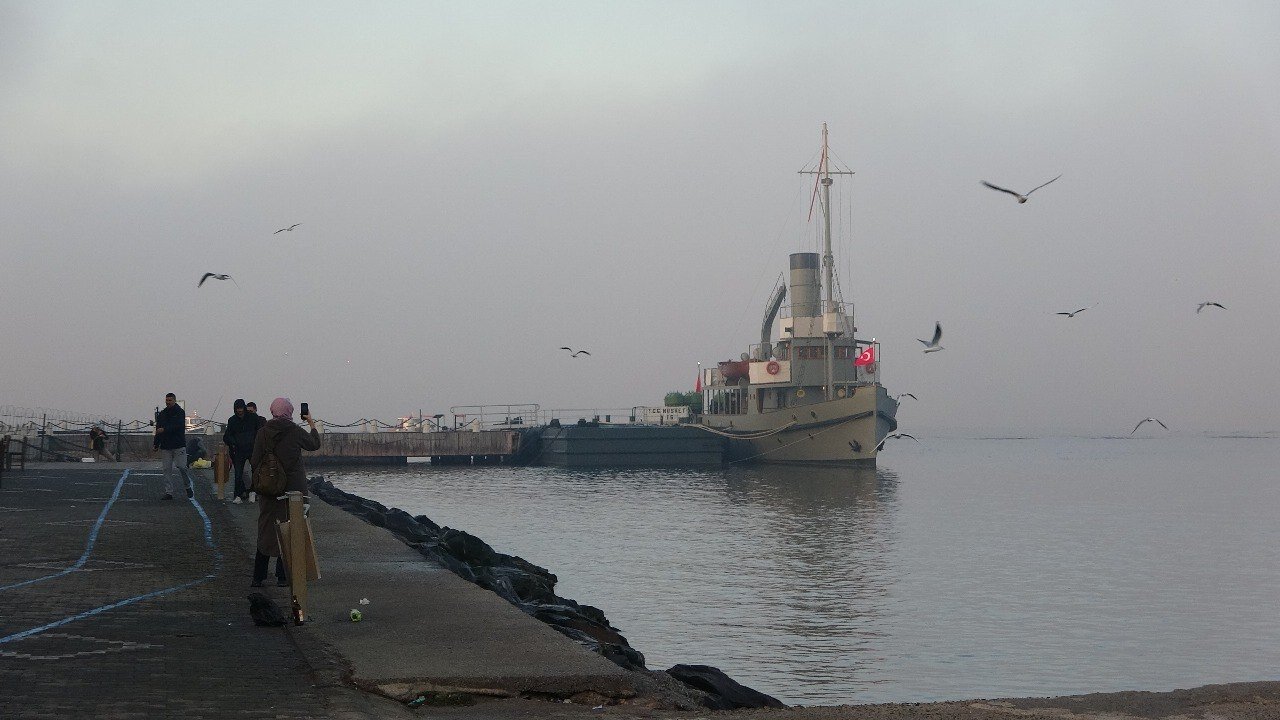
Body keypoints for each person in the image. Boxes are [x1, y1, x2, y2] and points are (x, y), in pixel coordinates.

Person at [249, 398, 320, 587]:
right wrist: (311, 423)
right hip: (293, 489)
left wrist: (264, 479)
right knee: (289, 529)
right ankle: (282, 576)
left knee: (266, 529)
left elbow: (255, 460)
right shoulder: (295, 431)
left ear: (272, 411)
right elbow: (314, 444)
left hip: (269, 488)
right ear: (289, 411)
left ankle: (258, 577)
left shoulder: (263, 432)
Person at [153, 392, 192, 500]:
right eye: (167, 400)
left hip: (178, 444)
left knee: (182, 467)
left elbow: (178, 426)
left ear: (174, 400)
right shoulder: (162, 414)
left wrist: (165, 429)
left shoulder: (180, 412)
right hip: (166, 446)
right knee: (166, 469)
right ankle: (169, 492)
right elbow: (158, 429)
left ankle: (187, 485)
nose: (168, 402)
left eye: (170, 400)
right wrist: (156, 444)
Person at [222, 399, 256, 503]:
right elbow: (227, 436)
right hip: (238, 450)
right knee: (238, 473)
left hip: (251, 449)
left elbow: (258, 432)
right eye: (238, 409)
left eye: (241, 408)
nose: (240, 410)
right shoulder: (232, 420)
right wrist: (234, 443)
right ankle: (238, 495)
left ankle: (252, 492)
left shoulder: (253, 418)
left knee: (255, 472)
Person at [244, 401, 266, 501]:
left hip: (257, 450)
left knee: (256, 472)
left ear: (255, 410)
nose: (249, 413)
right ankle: (250, 489)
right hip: (246, 450)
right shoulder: (243, 421)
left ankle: (254, 491)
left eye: (251, 411)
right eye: (247, 411)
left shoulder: (261, 420)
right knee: (244, 472)